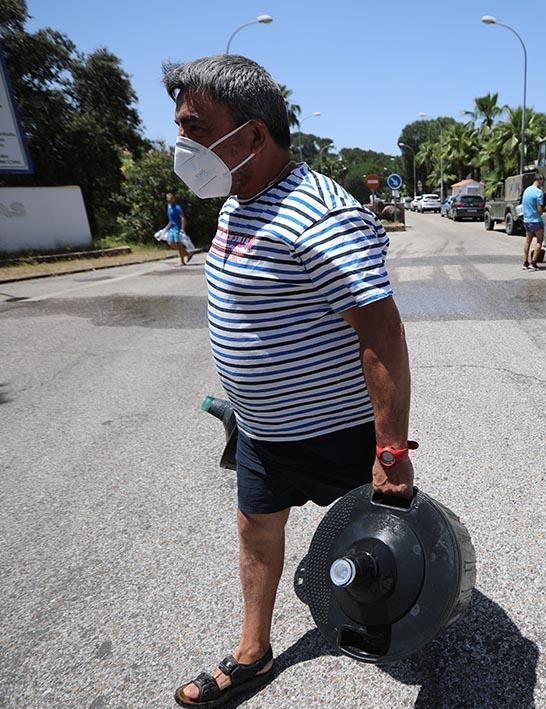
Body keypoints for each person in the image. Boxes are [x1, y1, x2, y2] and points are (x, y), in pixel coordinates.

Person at [163, 55, 414, 708]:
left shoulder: (320, 214)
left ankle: (417, 618)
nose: (181, 142)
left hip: (336, 433)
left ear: (251, 134)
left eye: (194, 126)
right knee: (255, 527)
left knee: (380, 538)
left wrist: (389, 451)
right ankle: (254, 651)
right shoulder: (237, 200)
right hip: (263, 433)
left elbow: (381, 334)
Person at [521, 175, 545, 270]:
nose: (543, 183)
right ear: (539, 180)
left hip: (527, 220)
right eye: (543, 180)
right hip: (536, 220)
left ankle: (525, 262)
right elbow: (539, 209)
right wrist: (544, 210)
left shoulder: (526, 191)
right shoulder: (539, 192)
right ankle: (533, 262)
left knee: (528, 241)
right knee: (539, 241)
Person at [164, 191, 192, 265]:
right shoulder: (168, 208)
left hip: (177, 228)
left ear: (174, 198)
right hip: (171, 228)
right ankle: (187, 254)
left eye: (171, 198)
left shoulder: (177, 207)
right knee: (170, 243)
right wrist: (166, 228)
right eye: (168, 198)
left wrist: (182, 229)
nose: (169, 200)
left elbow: (183, 218)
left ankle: (182, 261)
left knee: (177, 244)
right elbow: (170, 220)